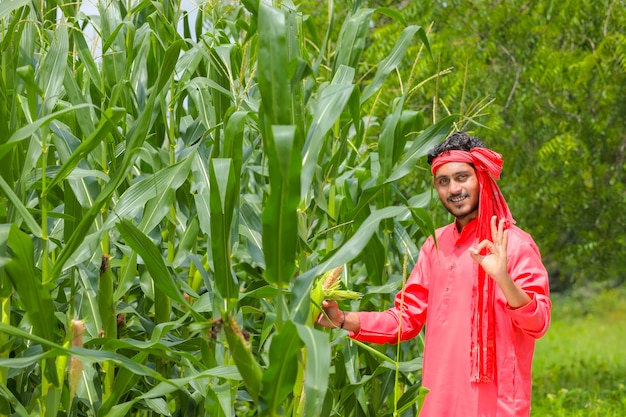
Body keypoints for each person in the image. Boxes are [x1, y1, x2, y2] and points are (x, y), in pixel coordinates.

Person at [317, 131, 551, 417]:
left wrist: (503, 278)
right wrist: (343, 320)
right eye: (443, 181)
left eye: (462, 177)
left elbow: (538, 324)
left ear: (482, 179)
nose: (453, 189)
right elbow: (406, 318)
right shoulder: (435, 244)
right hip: (438, 403)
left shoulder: (514, 244)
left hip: (496, 406)